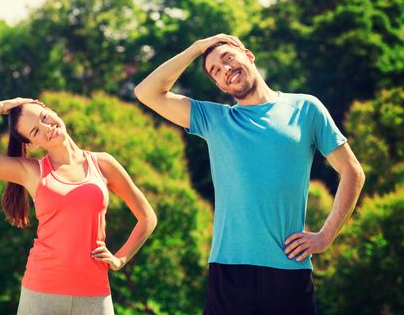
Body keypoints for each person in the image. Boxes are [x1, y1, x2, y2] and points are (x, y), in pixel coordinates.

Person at [134, 34, 365, 315]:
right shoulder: (214, 119)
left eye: (228, 58)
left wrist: (325, 236)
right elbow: (146, 92)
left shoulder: (306, 108)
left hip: (288, 269)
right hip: (229, 271)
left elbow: (352, 172)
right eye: (215, 71)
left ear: (249, 56)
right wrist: (197, 48)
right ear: (218, 85)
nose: (225, 69)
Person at [0, 97, 157, 315]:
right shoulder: (32, 171)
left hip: (94, 292)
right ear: (32, 144)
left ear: (51, 110)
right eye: (35, 131)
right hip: (41, 292)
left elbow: (147, 217)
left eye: (45, 118)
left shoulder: (103, 164)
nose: (47, 128)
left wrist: (120, 258)